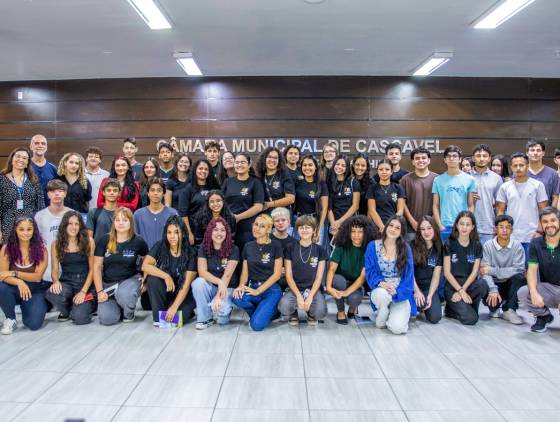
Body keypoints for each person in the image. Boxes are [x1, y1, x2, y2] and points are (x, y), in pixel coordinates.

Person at [93, 207, 148, 325]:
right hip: (109, 285)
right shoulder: (104, 240)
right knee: (107, 319)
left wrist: (145, 278)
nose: (121, 223)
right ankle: (119, 308)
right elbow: (96, 267)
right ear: (113, 223)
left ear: (130, 222)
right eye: (117, 220)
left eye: (124, 220)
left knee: (124, 295)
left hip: (130, 280)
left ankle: (128, 313)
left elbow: (148, 262)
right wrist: (100, 291)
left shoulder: (138, 241)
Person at [142, 215, 197, 326]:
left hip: (184, 294)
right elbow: (145, 266)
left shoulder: (192, 253)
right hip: (167, 291)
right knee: (152, 279)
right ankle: (159, 317)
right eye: (169, 232)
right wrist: (166, 276)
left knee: (176, 320)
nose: (172, 236)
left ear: (183, 233)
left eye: (177, 232)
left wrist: (174, 307)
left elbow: (186, 285)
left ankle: (183, 312)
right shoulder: (160, 246)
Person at [232, 214, 284, 331]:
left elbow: (276, 274)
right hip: (253, 285)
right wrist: (241, 286)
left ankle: (272, 311)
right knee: (236, 297)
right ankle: (261, 310)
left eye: (262, 226)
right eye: (255, 224)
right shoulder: (248, 246)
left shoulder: (276, 246)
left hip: (271, 289)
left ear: (268, 229)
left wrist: (258, 291)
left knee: (256, 326)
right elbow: (245, 272)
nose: (257, 228)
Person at [366, 215, 416, 334]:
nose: (393, 229)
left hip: (399, 290)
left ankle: (394, 312)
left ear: (402, 232)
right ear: (386, 226)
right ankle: (383, 313)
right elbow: (370, 271)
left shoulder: (406, 249)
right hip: (381, 287)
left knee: (397, 329)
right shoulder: (373, 246)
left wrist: (397, 291)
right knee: (383, 296)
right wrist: (382, 283)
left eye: (397, 228)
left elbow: (409, 276)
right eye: (391, 225)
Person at [46, 211, 96, 325]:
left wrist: (83, 292)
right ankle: (69, 310)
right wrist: (56, 281)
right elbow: (54, 269)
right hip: (67, 281)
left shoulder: (89, 241)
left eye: (76, 224)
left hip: (85, 283)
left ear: (80, 226)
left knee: (79, 319)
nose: (73, 227)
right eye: (70, 224)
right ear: (65, 225)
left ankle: (84, 307)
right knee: (52, 293)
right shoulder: (56, 243)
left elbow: (93, 269)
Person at [326, 215, 378, 324]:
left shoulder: (369, 249)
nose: (356, 235)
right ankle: (340, 312)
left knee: (353, 299)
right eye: (353, 231)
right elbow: (332, 268)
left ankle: (352, 308)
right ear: (348, 232)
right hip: (341, 280)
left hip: (357, 283)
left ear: (366, 233)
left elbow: (362, 277)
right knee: (338, 281)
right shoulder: (341, 245)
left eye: (360, 232)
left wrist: (346, 293)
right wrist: (329, 287)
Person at [0, 217, 48, 334]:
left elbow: (37, 277)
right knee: (2, 287)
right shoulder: (7, 249)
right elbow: (2, 275)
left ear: (34, 230)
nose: (25, 233)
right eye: (21, 229)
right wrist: (19, 282)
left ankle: (27, 305)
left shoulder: (42, 250)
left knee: (34, 324)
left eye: (29, 229)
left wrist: (14, 273)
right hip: (13, 288)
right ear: (15, 230)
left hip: (34, 290)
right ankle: (10, 319)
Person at [496, 152, 548, 258]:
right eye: (515, 166)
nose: (518, 168)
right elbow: (500, 211)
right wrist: (501, 231)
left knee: (532, 269)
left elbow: (543, 211)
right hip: (511, 236)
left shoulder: (538, 185)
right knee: (514, 271)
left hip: (532, 235)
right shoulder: (505, 187)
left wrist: (539, 231)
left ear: (527, 166)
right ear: (511, 167)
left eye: (521, 165)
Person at [279, 215, 328, 325]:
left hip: (312, 289)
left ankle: (311, 313)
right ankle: (294, 313)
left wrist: (310, 297)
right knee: (284, 307)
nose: (304, 230)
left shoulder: (320, 250)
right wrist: (298, 296)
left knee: (320, 313)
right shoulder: (290, 248)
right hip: (294, 288)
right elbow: (288, 276)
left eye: (308, 227)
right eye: (301, 227)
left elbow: (319, 277)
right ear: (297, 230)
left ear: (314, 230)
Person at [191, 217, 239, 329]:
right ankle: (205, 319)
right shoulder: (203, 247)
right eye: (216, 230)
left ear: (227, 233)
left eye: (223, 230)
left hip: (227, 288)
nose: (219, 233)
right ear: (210, 232)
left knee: (222, 318)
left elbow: (227, 276)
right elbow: (202, 272)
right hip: (211, 287)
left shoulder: (234, 249)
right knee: (198, 282)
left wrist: (218, 297)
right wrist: (218, 282)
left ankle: (225, 311)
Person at [518, 207, 560, 332]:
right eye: (545, 222)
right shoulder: (536, 243)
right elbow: (531, 270)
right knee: (524, 292)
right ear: (541, 224)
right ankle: (543, 316)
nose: (549, 225)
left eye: (553, 220)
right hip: (549, 288)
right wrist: (534, 292)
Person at [443, 211, 488, 325]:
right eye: (462, 224)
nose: (464, 227)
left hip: (468, 285)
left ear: (472, 227)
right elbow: (447, 273)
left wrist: (463, 290)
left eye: (468, 224)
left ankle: (464, 307)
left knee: (482, 284)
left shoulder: (477, 245)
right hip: (453, 288)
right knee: (471, 319)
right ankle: (451, 309)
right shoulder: (449, 243)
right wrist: (459, 290)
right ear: (457, 225)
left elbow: (474, 273)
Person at [480, 214, 526, 325]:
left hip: (510, 283)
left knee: (520, 278)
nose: (504, 230)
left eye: (508, 227)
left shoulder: (517, 246)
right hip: (495, 284)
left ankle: (509, 310)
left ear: (512, 230)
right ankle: (494, 307)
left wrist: (492, 270)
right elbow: (484, 272)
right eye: (501, 227)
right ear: (495, 229)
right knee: (482, 282)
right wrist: (493, 289)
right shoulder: (488, 245)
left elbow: (518, 270)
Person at [432, 145, 476, 242]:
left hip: (462, 226)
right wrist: (440, 226)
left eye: (455, 156)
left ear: (460, 159)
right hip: (445, 226)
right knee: (445, 256)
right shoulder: (438, 180)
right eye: (448, 156)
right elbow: (435, 205)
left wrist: (467, 224)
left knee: (461, 256)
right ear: (445, 160)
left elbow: (471, 205)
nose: (452, 158)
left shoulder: (470, 180)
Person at [0, 147, 44, 243]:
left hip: (29, 227)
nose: (20, 160)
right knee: (10, 255)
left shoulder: (34, 180)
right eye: (18, 156)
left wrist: (40, 227)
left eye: (24, 158)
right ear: (12, 159)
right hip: (8, 226)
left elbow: (40, 205)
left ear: (28, 162)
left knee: (29, 256)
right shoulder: (2, 180)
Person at [222, 153, 264, 248]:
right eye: (237, 162)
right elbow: (221, 202)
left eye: (243, 162)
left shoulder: (256, 182)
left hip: (247, 229)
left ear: (249, 164)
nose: (239, 165)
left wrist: (238, 217)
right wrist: (230, 218)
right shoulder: (228, 182)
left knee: (245, 258)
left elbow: (258, 207)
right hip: (228, 226)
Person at [34, 179, 72, 284]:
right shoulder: (40, 216)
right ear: (48, 194)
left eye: (60, 191)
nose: (57, 194)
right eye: (53, 191)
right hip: (46, 267)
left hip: (68, 266)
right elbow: (36, 242)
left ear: (65, 194)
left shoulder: (73, 214)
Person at [178, 159, 219, 245]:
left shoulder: (214, 187)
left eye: (206, 169)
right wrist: (189, 233)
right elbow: (183, 214)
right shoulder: (187, 189)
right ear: (195, 170)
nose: (203, 171)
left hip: (213, 231)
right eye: (200, 168)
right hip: (194, 232)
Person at [401, 147, 438, 242]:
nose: (420, 160)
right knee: (411, 256)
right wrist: (412, 222)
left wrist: (431, 222)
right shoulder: (405, 179)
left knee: (430, 255)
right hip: (410, 228)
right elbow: (402, 204)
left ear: (429, 160)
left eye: (423, 158)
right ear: (412, 161)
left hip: (431, 227)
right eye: (417, 158)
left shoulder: (438, 179)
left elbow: (440, 203)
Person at [411, 216, 443, 324]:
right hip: (413, 287)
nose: (426, 232)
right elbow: (409, 273)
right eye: (423, 229)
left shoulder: (439, 248)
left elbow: (436, 276)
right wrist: (416, 291)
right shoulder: (411, 246)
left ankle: (423, 304)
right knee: (410, 313)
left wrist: (430, 296)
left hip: (428, 288)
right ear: (419, 231)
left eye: (429, 228)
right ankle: (417, 307)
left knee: (435, 318)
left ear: (434, 228)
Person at [470, 144, 503, 246]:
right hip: (468, 227)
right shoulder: (465, 177)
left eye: (485, 156)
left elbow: (499, 205)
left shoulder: (496, 178)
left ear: (489, 159)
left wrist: (498, 225)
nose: (481, 158)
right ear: (473, 158)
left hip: (488, 227)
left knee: (486, 261)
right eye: (478, 156)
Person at [293, 155, 328, 246]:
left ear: (315, 167)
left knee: (315, 253)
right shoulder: (297, 182)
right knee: (298, 251)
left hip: (315, 222)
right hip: (298, 221)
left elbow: (324, 208)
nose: (307, 168)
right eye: (304, 165)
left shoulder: (321, 184)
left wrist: (319, 228)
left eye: (310, 165)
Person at [133, 178, 178, 249]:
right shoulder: (138, 214)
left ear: (163, 193)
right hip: (144, 257)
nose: (155, 193)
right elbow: (134, 239)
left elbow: (177, 237)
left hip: (166, 256)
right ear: (148, 193)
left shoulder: (172, 213)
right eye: (152, 190)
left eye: (159, 190)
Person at [327, 154, 360, 239]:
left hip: (349, 222)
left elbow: (355, 206)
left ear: (347, 168)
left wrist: (340, 222)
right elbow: (328, 206)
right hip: (333, 223)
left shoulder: (353, 182)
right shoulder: (329, 182)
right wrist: (333, 224)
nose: (339, 167)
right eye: (337, 164)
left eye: (343, 165)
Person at [367, 159, 404, 232]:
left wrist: (391, 225)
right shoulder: (372, 188)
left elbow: (400, 210)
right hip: (377, 227)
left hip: (394, 227)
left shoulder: (398, 188)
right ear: (377, 171)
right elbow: (372, 210)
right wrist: (382, 227)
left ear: (391, 171)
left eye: (387, 169)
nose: (384, 172)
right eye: (381, 169)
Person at [256, 147, 295, 214]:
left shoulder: (284, 174)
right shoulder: (260, 176)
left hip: (282, 216)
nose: (272, 160)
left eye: (275, 158)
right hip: (265, 218)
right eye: (269, 157)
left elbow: (291, 199)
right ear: (264, 159)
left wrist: (269, 204)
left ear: (279, 160)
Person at [56, 152, 92, 218]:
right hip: (61, 217)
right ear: (65, 163)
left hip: (81, 217)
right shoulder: (57, 180)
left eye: (77, 163)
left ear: (79, 166)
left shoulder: (85, 182)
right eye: (71, 162)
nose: (74, 165)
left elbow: (87, 202)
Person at [526, 140, 559, 208]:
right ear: (527, 153)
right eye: (532, 150)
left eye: (538, 150)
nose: (535, 153)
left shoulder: (552, 173)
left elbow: (555, 197)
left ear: (543, 153)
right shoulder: (520, 172)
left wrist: (550, 214)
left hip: (544, 215)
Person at [86, 179, 120, 243]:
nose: (112, 192)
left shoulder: (124, 213)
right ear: (103, 192)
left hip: (118, 251)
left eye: (115, 190)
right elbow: (89, 239)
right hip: (97, 251)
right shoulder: (93, 213)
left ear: (119, 193)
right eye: (108, 190)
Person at [29, 134, 57, 206]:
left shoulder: (53, 168)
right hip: (29, 210)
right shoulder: (25, 166)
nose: (40, 145)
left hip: (48, 209)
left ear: (46, 147)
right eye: (36, 143)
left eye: (43, 143)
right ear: (31, 147)